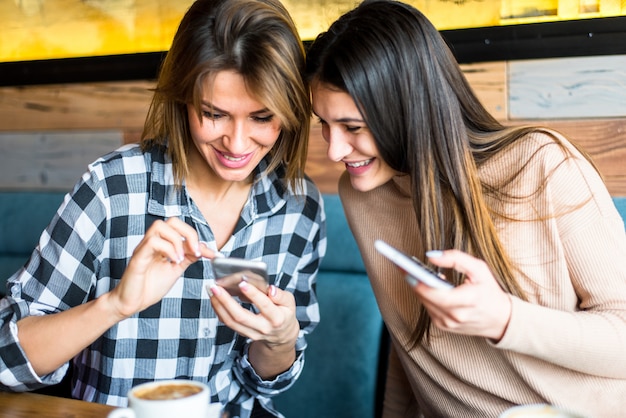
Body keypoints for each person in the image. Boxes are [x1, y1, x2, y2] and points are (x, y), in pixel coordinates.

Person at [0, 0, 326, 417]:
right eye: (214, 114)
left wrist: (279, 339)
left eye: (262, 118)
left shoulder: (299, 208)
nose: (238, 144)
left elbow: (261, 381)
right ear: (184, 100)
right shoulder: (114, 188)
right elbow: (7, 360)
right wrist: (116, 303)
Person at [306, 0, 626, 416]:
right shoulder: (361, 193)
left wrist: (505, 320)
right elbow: (412, 347)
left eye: (352, 128)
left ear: (408, 108)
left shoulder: (541, 166)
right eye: (324, 125)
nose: (334, 151)